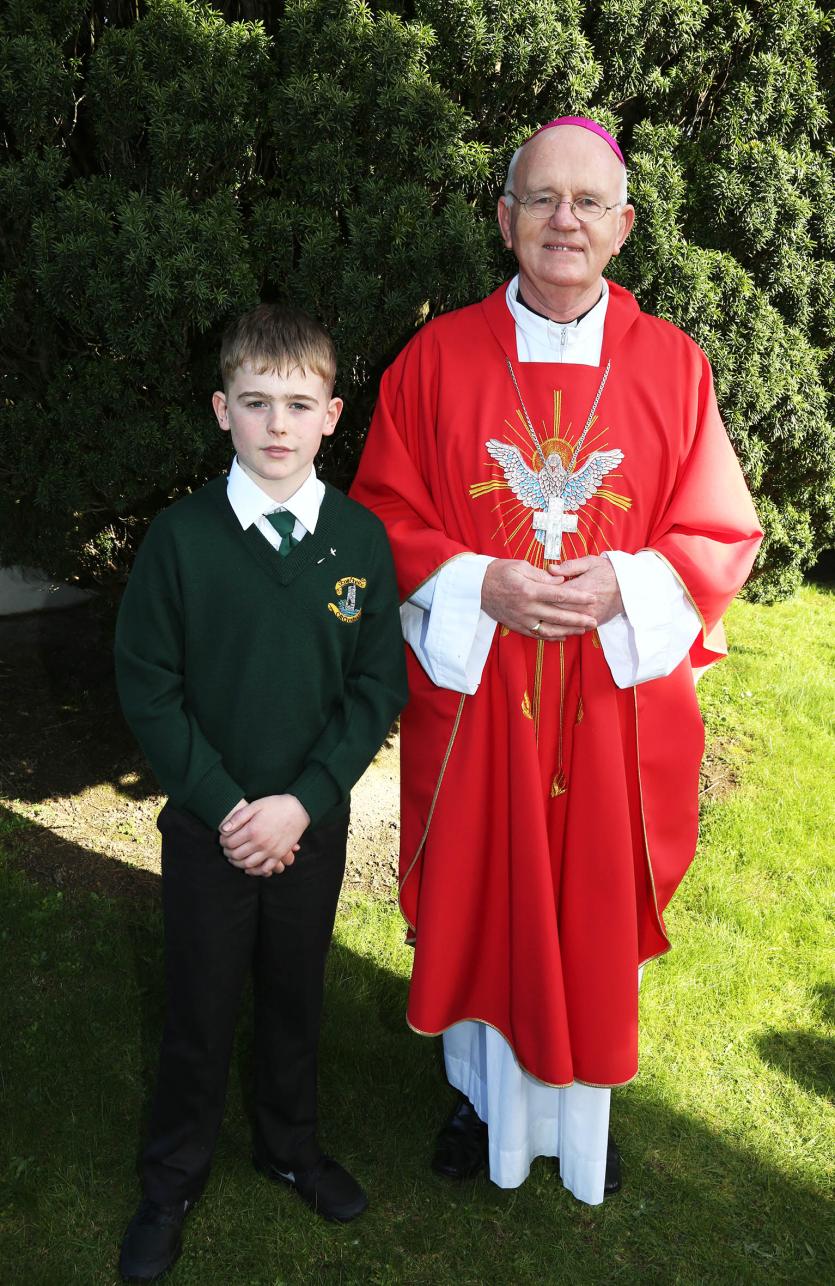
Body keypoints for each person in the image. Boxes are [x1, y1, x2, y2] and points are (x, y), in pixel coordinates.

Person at [351, 117, 762, 1206]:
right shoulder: (434, 358)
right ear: (505, 219)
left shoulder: (673, 366)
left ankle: (581, 1110)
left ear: (623, 227)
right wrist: (478, 582)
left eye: (587, 203)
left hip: (607, 701)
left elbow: (717, 532)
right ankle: (481, 1099)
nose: (563, 221)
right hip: (485, 690)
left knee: (581, 902)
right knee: (486, 889)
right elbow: (381, 514)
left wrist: (625, 585)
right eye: (541, 199)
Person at [114, 304, 407, 1280]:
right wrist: (225, 802)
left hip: (310, 827)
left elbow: (376, 686)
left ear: (331, 415)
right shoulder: (181, 539)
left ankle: (289, 1144)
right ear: (221, 411)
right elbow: (148, 682)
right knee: (199, 1003)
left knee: (294, 995)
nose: (276, 424)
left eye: (297, 403)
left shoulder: (360, 541)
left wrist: (306, 798)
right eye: (254, 403)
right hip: (210, 828)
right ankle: (173, 1172)